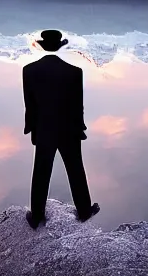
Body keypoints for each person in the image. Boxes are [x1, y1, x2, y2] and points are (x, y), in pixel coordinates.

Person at [23, 29, 100, 229]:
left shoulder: (29, 70)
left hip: (43, 129)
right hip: (69, 130)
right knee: (75, 170)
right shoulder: (74, 72)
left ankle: (37, 216)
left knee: (40, 171)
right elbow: (77, 105)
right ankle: (84, 210)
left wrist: (31, 128)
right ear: (60, 45)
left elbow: (30, 105)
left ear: (41, 46)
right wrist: (81, 127)